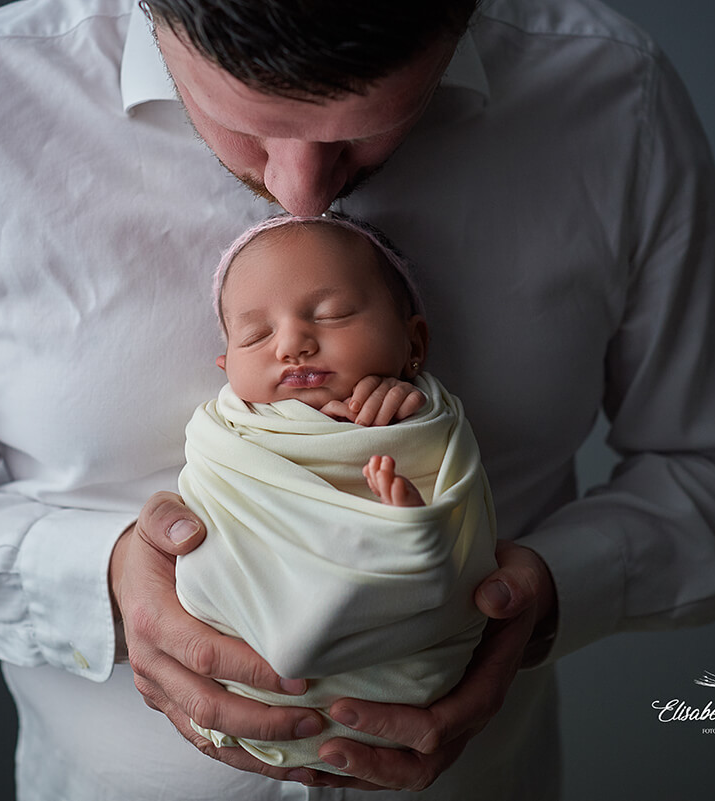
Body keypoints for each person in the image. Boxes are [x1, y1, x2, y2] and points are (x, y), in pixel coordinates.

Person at [0, 1, 715, 798]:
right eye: (247, 124)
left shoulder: (614, 96)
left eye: (367, 131)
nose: (302, 190)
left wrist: (534, 598)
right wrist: (105, 587)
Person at [175, 212, 497, 773]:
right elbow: (216, 516)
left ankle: (406, 541)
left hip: (435, 713)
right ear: (227, 367)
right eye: (256, 335)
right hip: (214, 710)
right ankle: (400, 544)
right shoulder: (227, 431)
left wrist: (404, 428)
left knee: (421, 529)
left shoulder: (425, 418)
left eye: (333, 315)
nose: (293, 343)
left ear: (413, 341)